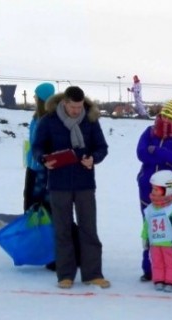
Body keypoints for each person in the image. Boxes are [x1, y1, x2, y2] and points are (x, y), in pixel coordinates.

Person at [32, 86, 110, 289]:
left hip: (85, 184)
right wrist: (43, 159)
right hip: (59, 184)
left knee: (89, 229)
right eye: (73, 107)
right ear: (64, 103)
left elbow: (102, 147)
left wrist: (93, 159)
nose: (77, 110)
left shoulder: (90, 121)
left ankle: (93, 274)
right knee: (62, 230)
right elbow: (37, 147)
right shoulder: (48, 121)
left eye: (80, 106)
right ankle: (65, 274)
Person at [137, 100, 172, 282]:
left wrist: (157, 151)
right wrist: (164, 155)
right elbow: (141, 153)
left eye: (171, 117)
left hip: (170, 189)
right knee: (151, 228)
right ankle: (150, 269)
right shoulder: (149, 132)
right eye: (164, 115)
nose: (166, 119)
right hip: (148, 188)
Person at [142, 170, 172, 292]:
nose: (153, 192)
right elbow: (147, 224)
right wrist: (145, 237)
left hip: (168, 243)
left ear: (167, 190)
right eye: (153, 189)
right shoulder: (151, 208)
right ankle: (159, 279)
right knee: (156, 262)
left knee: (170, 262)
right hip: (155, 242)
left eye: (156, 190)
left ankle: (171, 281)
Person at [24, 82, 56, 211]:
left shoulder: (49, 119)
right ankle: (30, 228)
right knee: (28, 197)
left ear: (42, 99)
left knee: (39, 202)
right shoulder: (36, 117)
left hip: (42, 168)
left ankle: (42, 229)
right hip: (32, 166)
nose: (34, 97)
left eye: (36, 95)